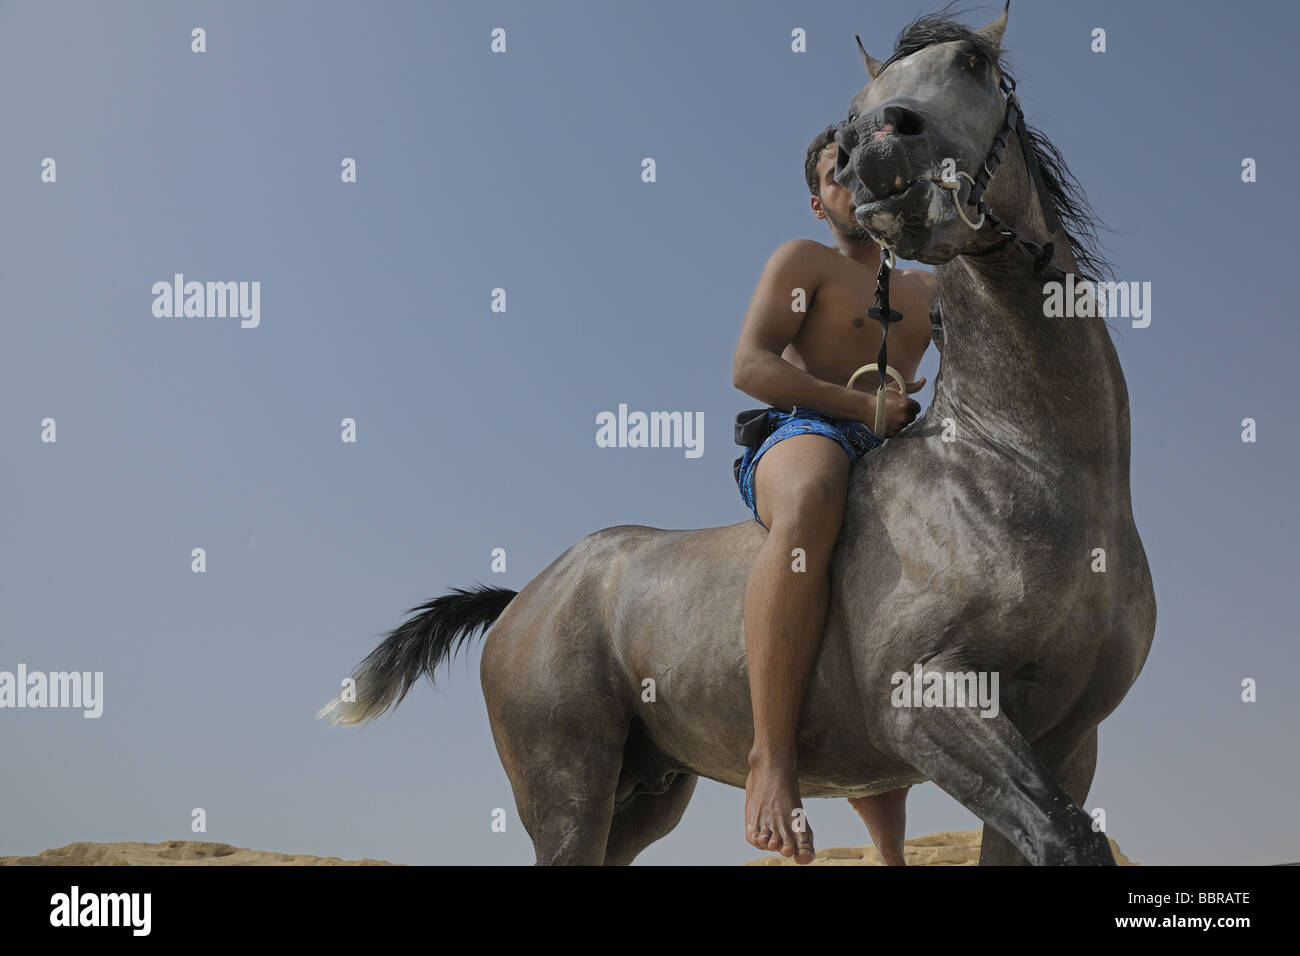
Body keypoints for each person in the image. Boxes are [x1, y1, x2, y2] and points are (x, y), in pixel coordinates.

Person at [731, 124, 936, 865]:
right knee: (816, 495)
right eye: (833, 173)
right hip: (804, 430)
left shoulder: (927, 287)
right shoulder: (804, 261)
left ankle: (890, 855)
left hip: (898, 445)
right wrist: (860, 409)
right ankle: (771, 760)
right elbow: (750, 366)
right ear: (819, 203)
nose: (852, 179)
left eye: (862, 166)